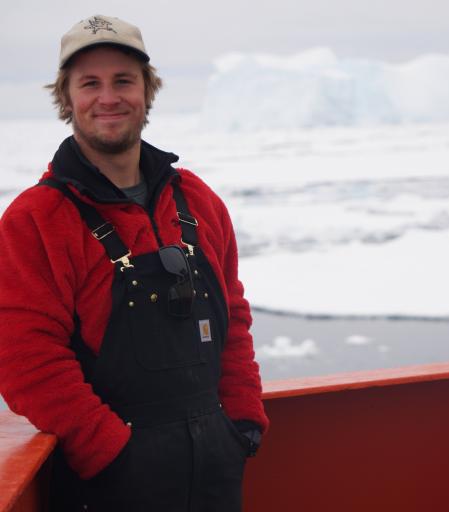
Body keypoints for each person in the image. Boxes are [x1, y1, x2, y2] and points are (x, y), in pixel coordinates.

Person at [0, 14, 268, 511]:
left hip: (215, 470)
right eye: (90, 83)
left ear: (148, 90)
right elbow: (26, 361)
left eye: (124, 80)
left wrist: (243, 420)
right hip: (111, 483)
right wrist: (112, 452)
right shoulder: (35, 219)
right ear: (67, 98)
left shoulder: (197, 200)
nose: (109, 98)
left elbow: (234, 315)